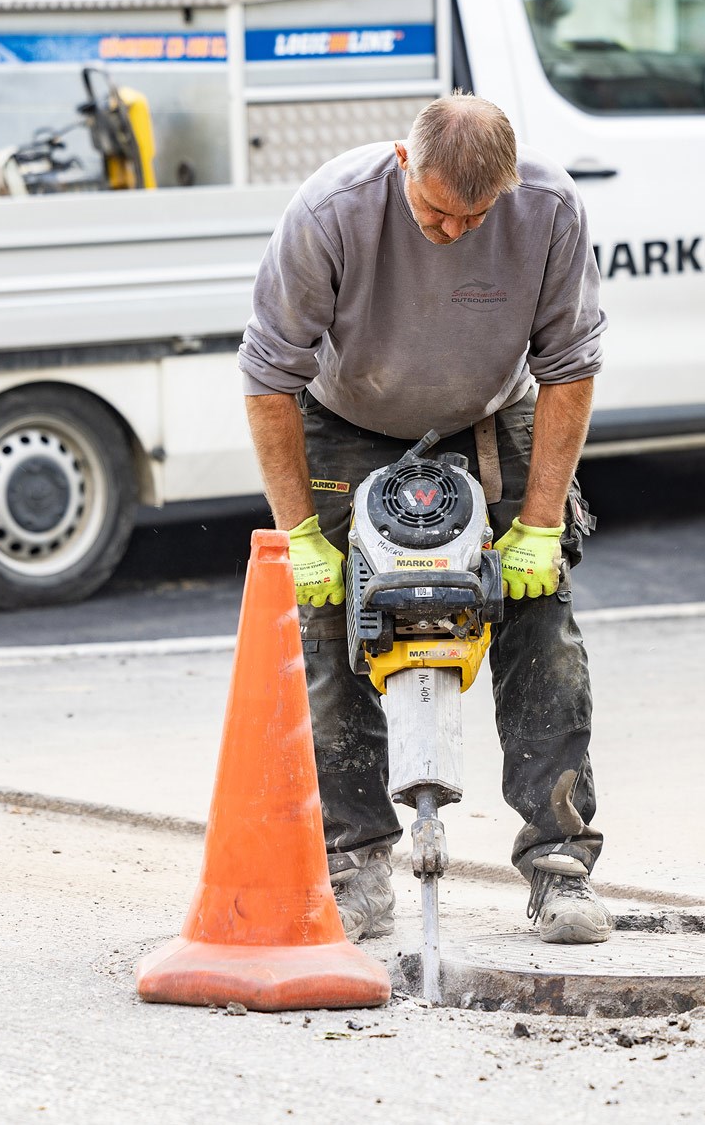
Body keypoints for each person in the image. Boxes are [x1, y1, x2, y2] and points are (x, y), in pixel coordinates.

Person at [238, 92, 611, 945]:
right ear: (404, 165)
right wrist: (302, 538)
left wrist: (541, 524)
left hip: (490, 417)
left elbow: (572, 367)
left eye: (474, 217)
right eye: (437, 212)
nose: (452, 232)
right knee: (333, 627)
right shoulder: (332, 213)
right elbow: (268, 378)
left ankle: (559, 866)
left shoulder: (548, 212)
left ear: (508, 190)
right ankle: (356, 861)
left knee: (540, 619)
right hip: (346, 418)